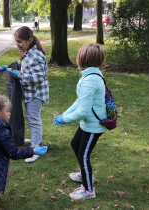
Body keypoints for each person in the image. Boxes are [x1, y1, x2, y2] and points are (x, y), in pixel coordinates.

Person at [53, 43, 107, 201]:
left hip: (94, 125)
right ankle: (85, 174)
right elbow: (80, 101)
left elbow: (83, 110)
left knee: (83, 155)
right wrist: (65, 114)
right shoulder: (91, 76)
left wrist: (65, 120)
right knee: (75, 144)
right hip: (89, 122)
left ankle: (89, 190)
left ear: (83, 59)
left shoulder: (90, 80)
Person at [7, 26, 49, 163]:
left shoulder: (36, 55)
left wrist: (20, 74)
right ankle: (37, 140)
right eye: (16, 41)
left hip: (36, 94)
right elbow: (30, 69)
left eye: (20, 42)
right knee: (32, 118)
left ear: (29, 40)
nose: (17, 45)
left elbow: (38, 78)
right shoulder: (28, 52)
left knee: (33, 119)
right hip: (30, 93)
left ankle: (36, 148)